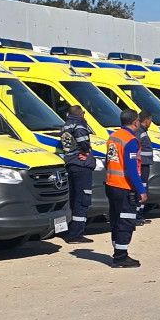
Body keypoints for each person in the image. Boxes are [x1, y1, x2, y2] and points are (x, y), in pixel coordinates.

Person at [104, 110, 146, 268]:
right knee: (126, 221)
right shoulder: (130, 140)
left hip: (110, 183)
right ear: (135, 122)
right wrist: (141, 189)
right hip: (124, 186)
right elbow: (131, 169)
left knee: (115, 219)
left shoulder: (113, 136)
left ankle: (118, 250)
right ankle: (120, 257)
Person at [60, 104, 95, 243]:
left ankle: (72, 230)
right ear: (82, 114)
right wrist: (86, 152)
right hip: (81, 165)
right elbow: (83, 142)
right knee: (83, 198)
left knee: (74, 198)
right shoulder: (79, 125)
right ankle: (76, 234)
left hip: (70, 163)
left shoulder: (65, 126)